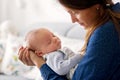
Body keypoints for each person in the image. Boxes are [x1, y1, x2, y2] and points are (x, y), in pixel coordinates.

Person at [18, 0, 120, 80]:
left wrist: (38, 62)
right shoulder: (113, 16)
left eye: (75, 12)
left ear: (95, 4)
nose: (72, 20)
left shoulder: (105, 33)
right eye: (69, 13)